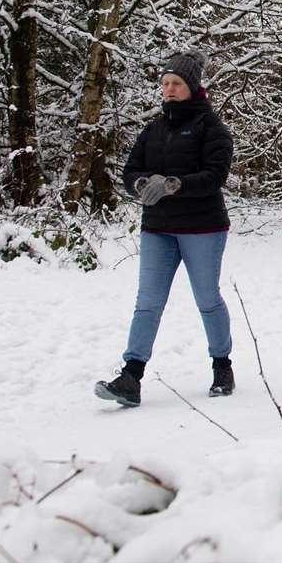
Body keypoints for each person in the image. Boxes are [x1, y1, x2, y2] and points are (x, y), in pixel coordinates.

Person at [95, 50, 236, 408]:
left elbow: (214, 176)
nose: (169, 89)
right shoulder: (153, 130)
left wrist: (175, 185)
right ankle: (131, 376)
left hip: (203, 227)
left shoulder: (212, 128)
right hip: (157, 227)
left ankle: (222, 365)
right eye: (165, 84)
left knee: (207, 299)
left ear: (192, 87)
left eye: (176, 84)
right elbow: (130, 171)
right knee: (148, 303)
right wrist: (142, 185)